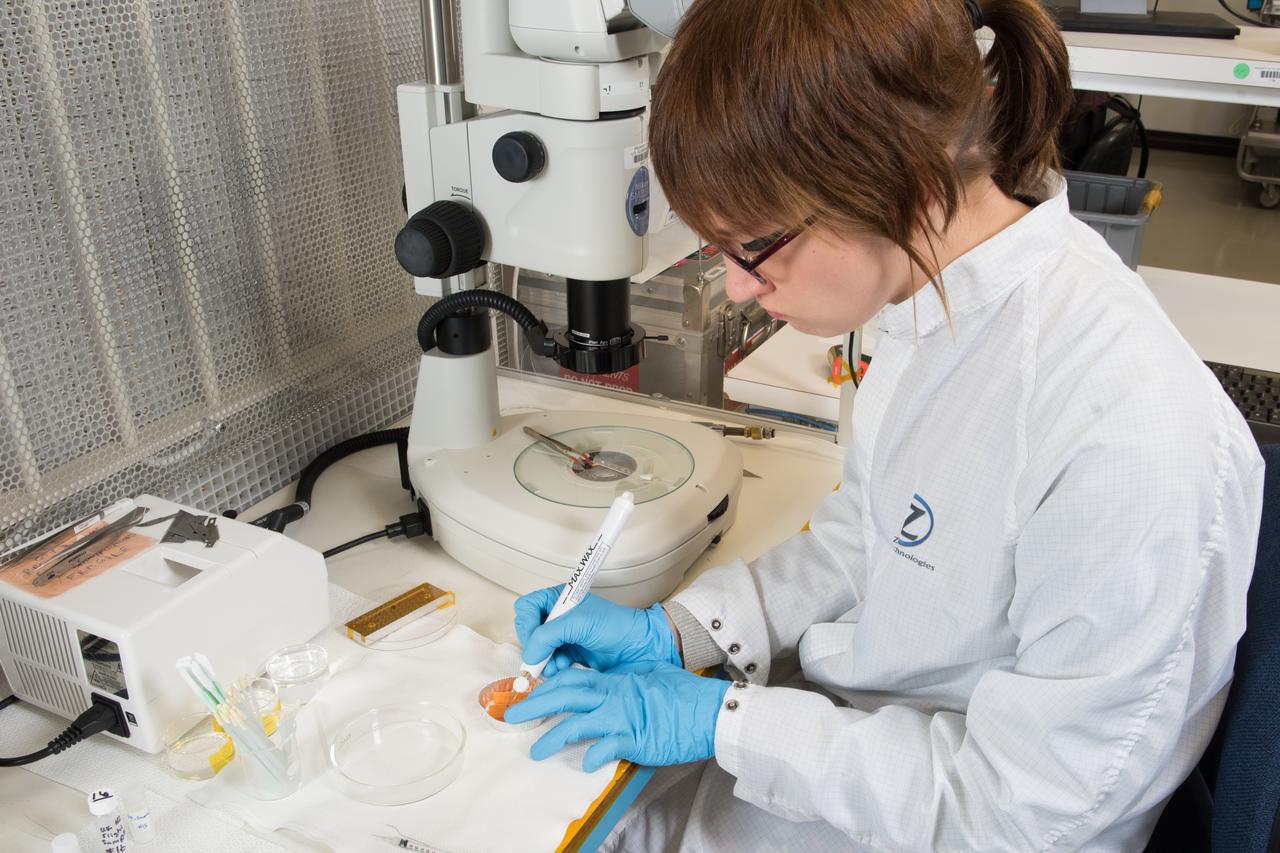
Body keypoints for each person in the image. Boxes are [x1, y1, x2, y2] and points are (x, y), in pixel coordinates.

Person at [502, 0, 1267, 849]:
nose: (741, 286)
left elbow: (1028, 809)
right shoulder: (927, 291)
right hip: (858, 752)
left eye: (751, 244)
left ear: (901, 175)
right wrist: (683, 633)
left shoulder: (1126, 433)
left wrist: (728, 725)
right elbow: (868, 535)